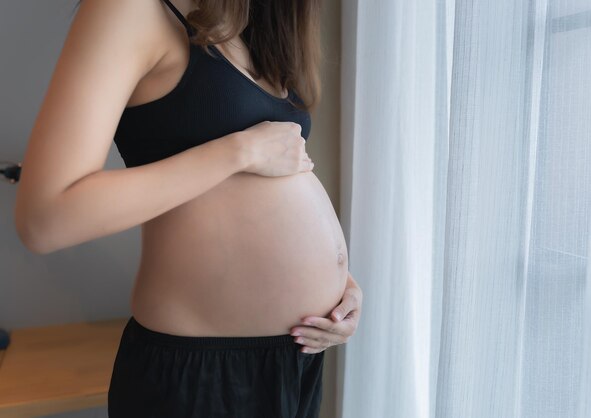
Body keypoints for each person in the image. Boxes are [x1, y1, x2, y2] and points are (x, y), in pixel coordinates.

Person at [14, 0, 362, 416]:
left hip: (298, 357)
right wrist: (238, 151)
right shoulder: (130, 9)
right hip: (202, 374)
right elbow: (45, 218)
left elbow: (273, 181)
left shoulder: (256, 20)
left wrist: (342, 285)